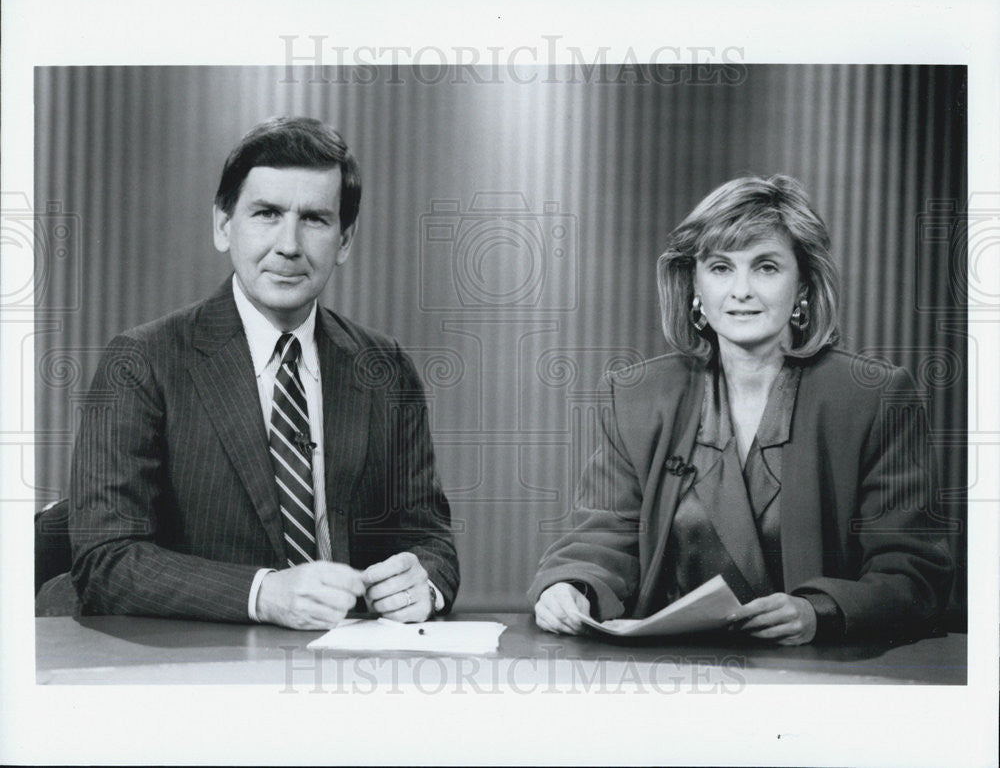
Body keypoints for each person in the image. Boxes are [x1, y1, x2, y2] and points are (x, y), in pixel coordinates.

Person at [56, 116, 458, 628]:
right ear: (224, 226)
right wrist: (263, 593)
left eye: (314, 218)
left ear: (345, 240)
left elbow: (431, 539)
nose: (289, 244)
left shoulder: (386, 368)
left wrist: (422, 583)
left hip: (355, 667)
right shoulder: (140, 363)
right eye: (267, 214)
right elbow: (103, 560)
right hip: (204, 671)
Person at [529, 174, 953, 644]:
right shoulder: (638, 395)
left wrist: (821, 612)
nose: (741, 290)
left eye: (766, 267)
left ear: (804, 286)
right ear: (695, 285)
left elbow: (913, 574)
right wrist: (571, 587)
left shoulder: (872, 397)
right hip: (669, 671)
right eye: (721, 268)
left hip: (820, 672)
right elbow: (605, 537)